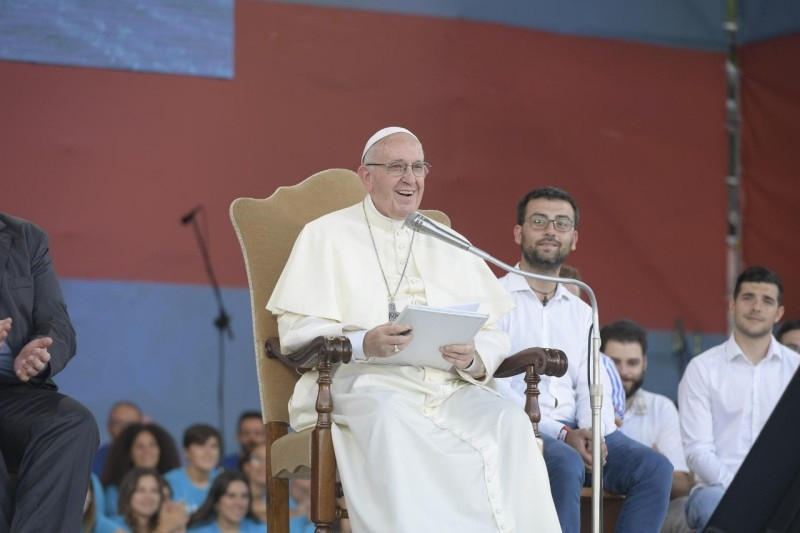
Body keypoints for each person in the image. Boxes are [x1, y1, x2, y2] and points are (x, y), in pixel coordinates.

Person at [266, 127, 560, 532]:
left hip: (447, 386)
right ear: (366, 176)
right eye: (396, 167)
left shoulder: (449, 241)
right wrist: (363, 342)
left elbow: (494, 331)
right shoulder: (325, 235)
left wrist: (474, 358)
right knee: (392, 419)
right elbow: (298, 331)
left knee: (509, 422)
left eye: (418, 167)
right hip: (364, 382)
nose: (410, 178)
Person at [494, 187, 672, 533]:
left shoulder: (582, 309)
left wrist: (594, 431)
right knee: (566, 462)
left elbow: (593, 384)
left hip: (580, 430)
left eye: (561, 223)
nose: (550, 230)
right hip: (523, 429)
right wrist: (563, 434)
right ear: (518, 232)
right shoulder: (495, 298)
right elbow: (494, 387)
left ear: (573, 239)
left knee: (654, 468)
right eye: (539, 221)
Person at [678, 266, 799, 531]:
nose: (756, 307)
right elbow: (697, 451)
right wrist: (743, 492)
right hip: (717, 490)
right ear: (732, 305)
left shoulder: (795, 369)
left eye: (767, 301)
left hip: (783, 495)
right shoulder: (702, 368)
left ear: (779, 313)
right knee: (713, 506)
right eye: (748, 297)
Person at [0, 212, 100, 531]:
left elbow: (57, 323)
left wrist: (39, 352)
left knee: (73, 422)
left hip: (14, 392)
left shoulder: (26, 238)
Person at [602, 319, 693, 533]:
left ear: (644, 363)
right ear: (598, 361)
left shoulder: (661, 407)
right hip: (594, 507)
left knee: (685, 512)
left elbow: (682, 484)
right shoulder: (581, 405)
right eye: (614, 363)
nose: (623, 372)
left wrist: (654, 468)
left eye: (632, 363)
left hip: (650, 513)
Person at [559, 265, 626, 426]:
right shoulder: (532, 354)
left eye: (571, 301)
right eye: (559, 301)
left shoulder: (604, 364)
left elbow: (616, 419)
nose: (564, 310)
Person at [102, 422, 182, 518]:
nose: (147, 451)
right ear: (129, 453)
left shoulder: (174, 484)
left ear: (161, 450)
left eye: (152, 445)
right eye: (139, 446)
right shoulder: (114, 491)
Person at [165, 424, 223, 513]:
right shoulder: (169, 482)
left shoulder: (224, 481)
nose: (208, 452)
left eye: (213, 446)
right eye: (200, 445)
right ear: (186, 452)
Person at [113, 468, 188, 533]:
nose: (148, 496)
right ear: (128, 494)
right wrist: (163, 529)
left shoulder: (166, 523)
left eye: (154, 490)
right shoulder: (115, 525)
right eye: (141, 490)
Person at [186, 471, 262, 533]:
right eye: (231, 496)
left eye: (244, 496)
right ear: (216, 502)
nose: (239, 503)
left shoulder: (262, 529)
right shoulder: (197, 531)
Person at [94, 401, 145, 475]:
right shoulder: (93, 461)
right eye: (118, 423)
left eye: (130, 425)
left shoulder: (152, 457)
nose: (124, 429)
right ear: (109, 426)